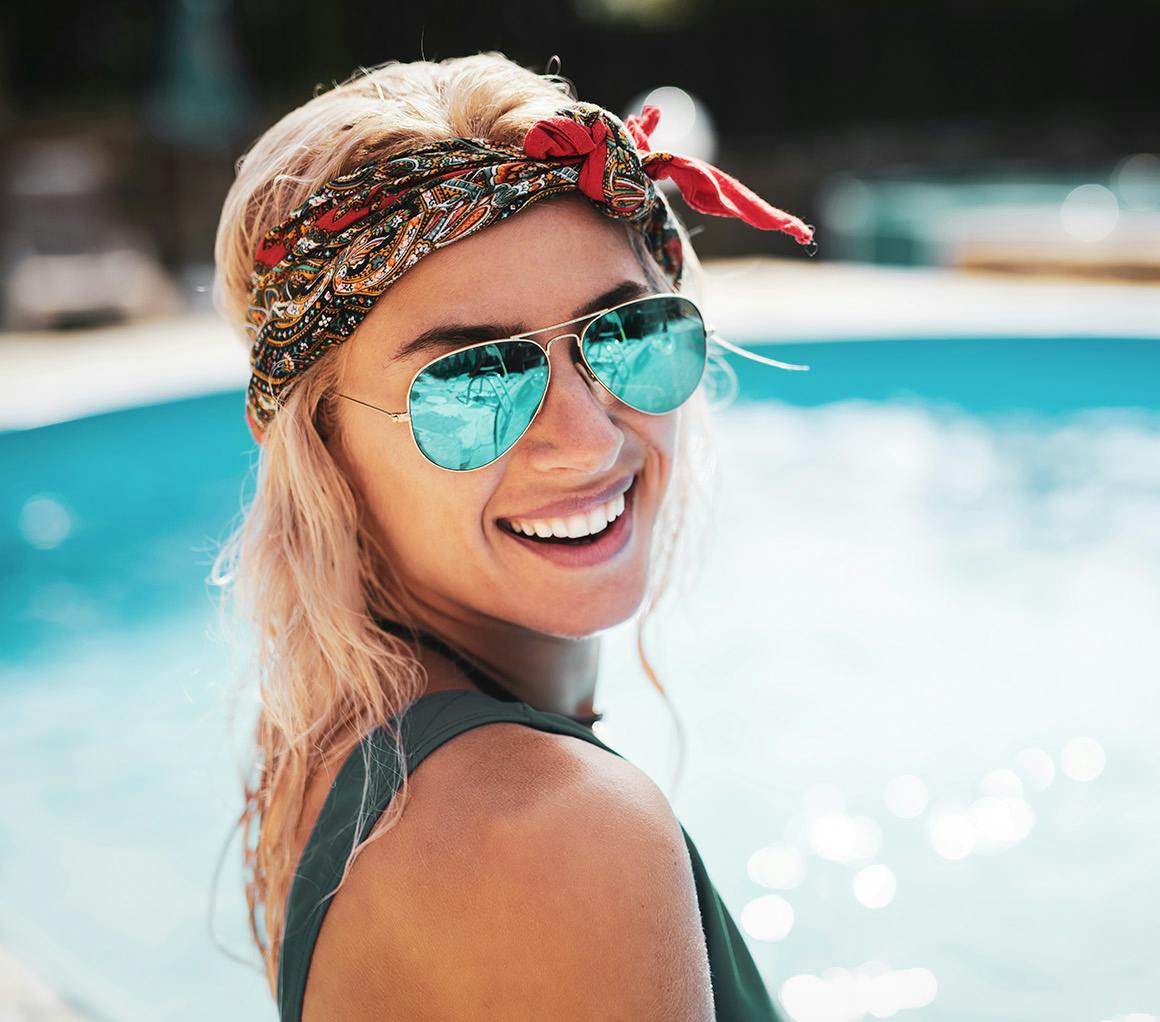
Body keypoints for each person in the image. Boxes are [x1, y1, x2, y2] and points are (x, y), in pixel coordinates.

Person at [208, 51, 815, 1021]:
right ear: (317, 441)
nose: (587, 436)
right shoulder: (561, 832)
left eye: (626, 334)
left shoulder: (338, 748)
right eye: (475, 381)